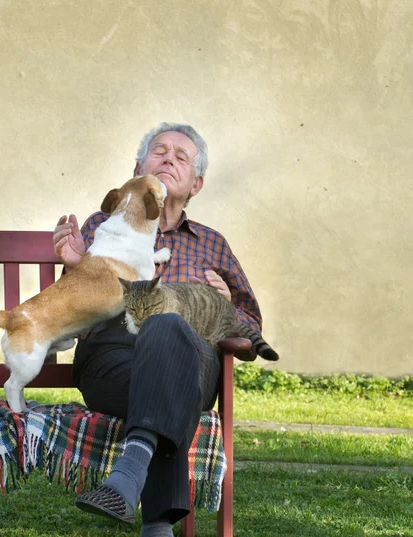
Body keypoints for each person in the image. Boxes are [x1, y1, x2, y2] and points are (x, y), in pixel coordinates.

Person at [52, 122, 263, 536]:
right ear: (137, 167)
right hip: (110, 361)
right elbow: (69, 311)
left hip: (194, 361)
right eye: (159, 151)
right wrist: (77, 269)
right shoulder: (103, 223)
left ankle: (127, 476)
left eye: (181, 156)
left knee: (167, 327)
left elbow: (251, 328)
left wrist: (226, 302)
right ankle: (157, 528)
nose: (168, 158)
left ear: (196, 184)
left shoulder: (213, 244)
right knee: (167, 384)